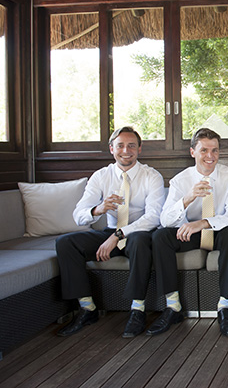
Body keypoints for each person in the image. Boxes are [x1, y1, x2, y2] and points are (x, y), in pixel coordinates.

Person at [55, 127, 165, 338]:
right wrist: (98, 209)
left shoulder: (151, 176)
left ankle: (138, 309)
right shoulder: (101, 176)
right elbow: (79, 215)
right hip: (109, 232)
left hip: (138, 233)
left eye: (132, 145)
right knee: (65, 243)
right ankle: (87, 308)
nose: (126, 150)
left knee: (141, 241)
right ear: (111, 149)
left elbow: (153, 217)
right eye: (121, 145)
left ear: (139, 149)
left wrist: (118, 236)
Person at [152, 128, 228, 336]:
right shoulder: (179, 181)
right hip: (189, 234)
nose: (210, 156)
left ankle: (225, 305)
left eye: (215, 150)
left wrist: (203, 222)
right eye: (204, 150)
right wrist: (187, 199)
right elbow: (165, 220)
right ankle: (172, 305)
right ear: (192, 152)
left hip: (217, 230)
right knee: (160, 237)